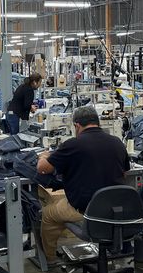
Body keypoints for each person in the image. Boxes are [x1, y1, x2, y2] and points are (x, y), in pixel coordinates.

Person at [36, 106, 130, 263]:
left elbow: (42, 169)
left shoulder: (73, 144)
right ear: (97, 122)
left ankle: (49, 259)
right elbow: (124, 173)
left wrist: (44, 156)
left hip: (85, 210)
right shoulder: (117, 143)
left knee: (48, 214)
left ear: (77, 125)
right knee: (63, 203)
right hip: (115, 209)